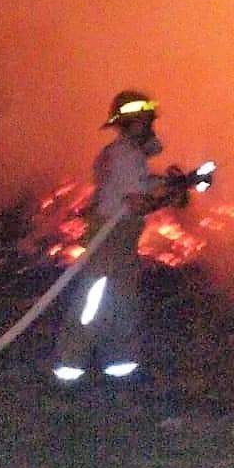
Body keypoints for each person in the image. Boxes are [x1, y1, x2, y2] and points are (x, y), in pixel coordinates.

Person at [51, 89, 188, 385]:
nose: (150, 126)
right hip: (110, 237)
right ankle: (70, 363)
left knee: (123, 300)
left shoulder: (128, 155)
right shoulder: (124, 155)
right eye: (144, 121)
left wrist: (169, 183)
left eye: (150, 119)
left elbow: (141, 184)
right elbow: (137, 202)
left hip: (121, 238)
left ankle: (119, 364)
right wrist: (170, 196)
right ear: (130, 124)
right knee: (94, 299)